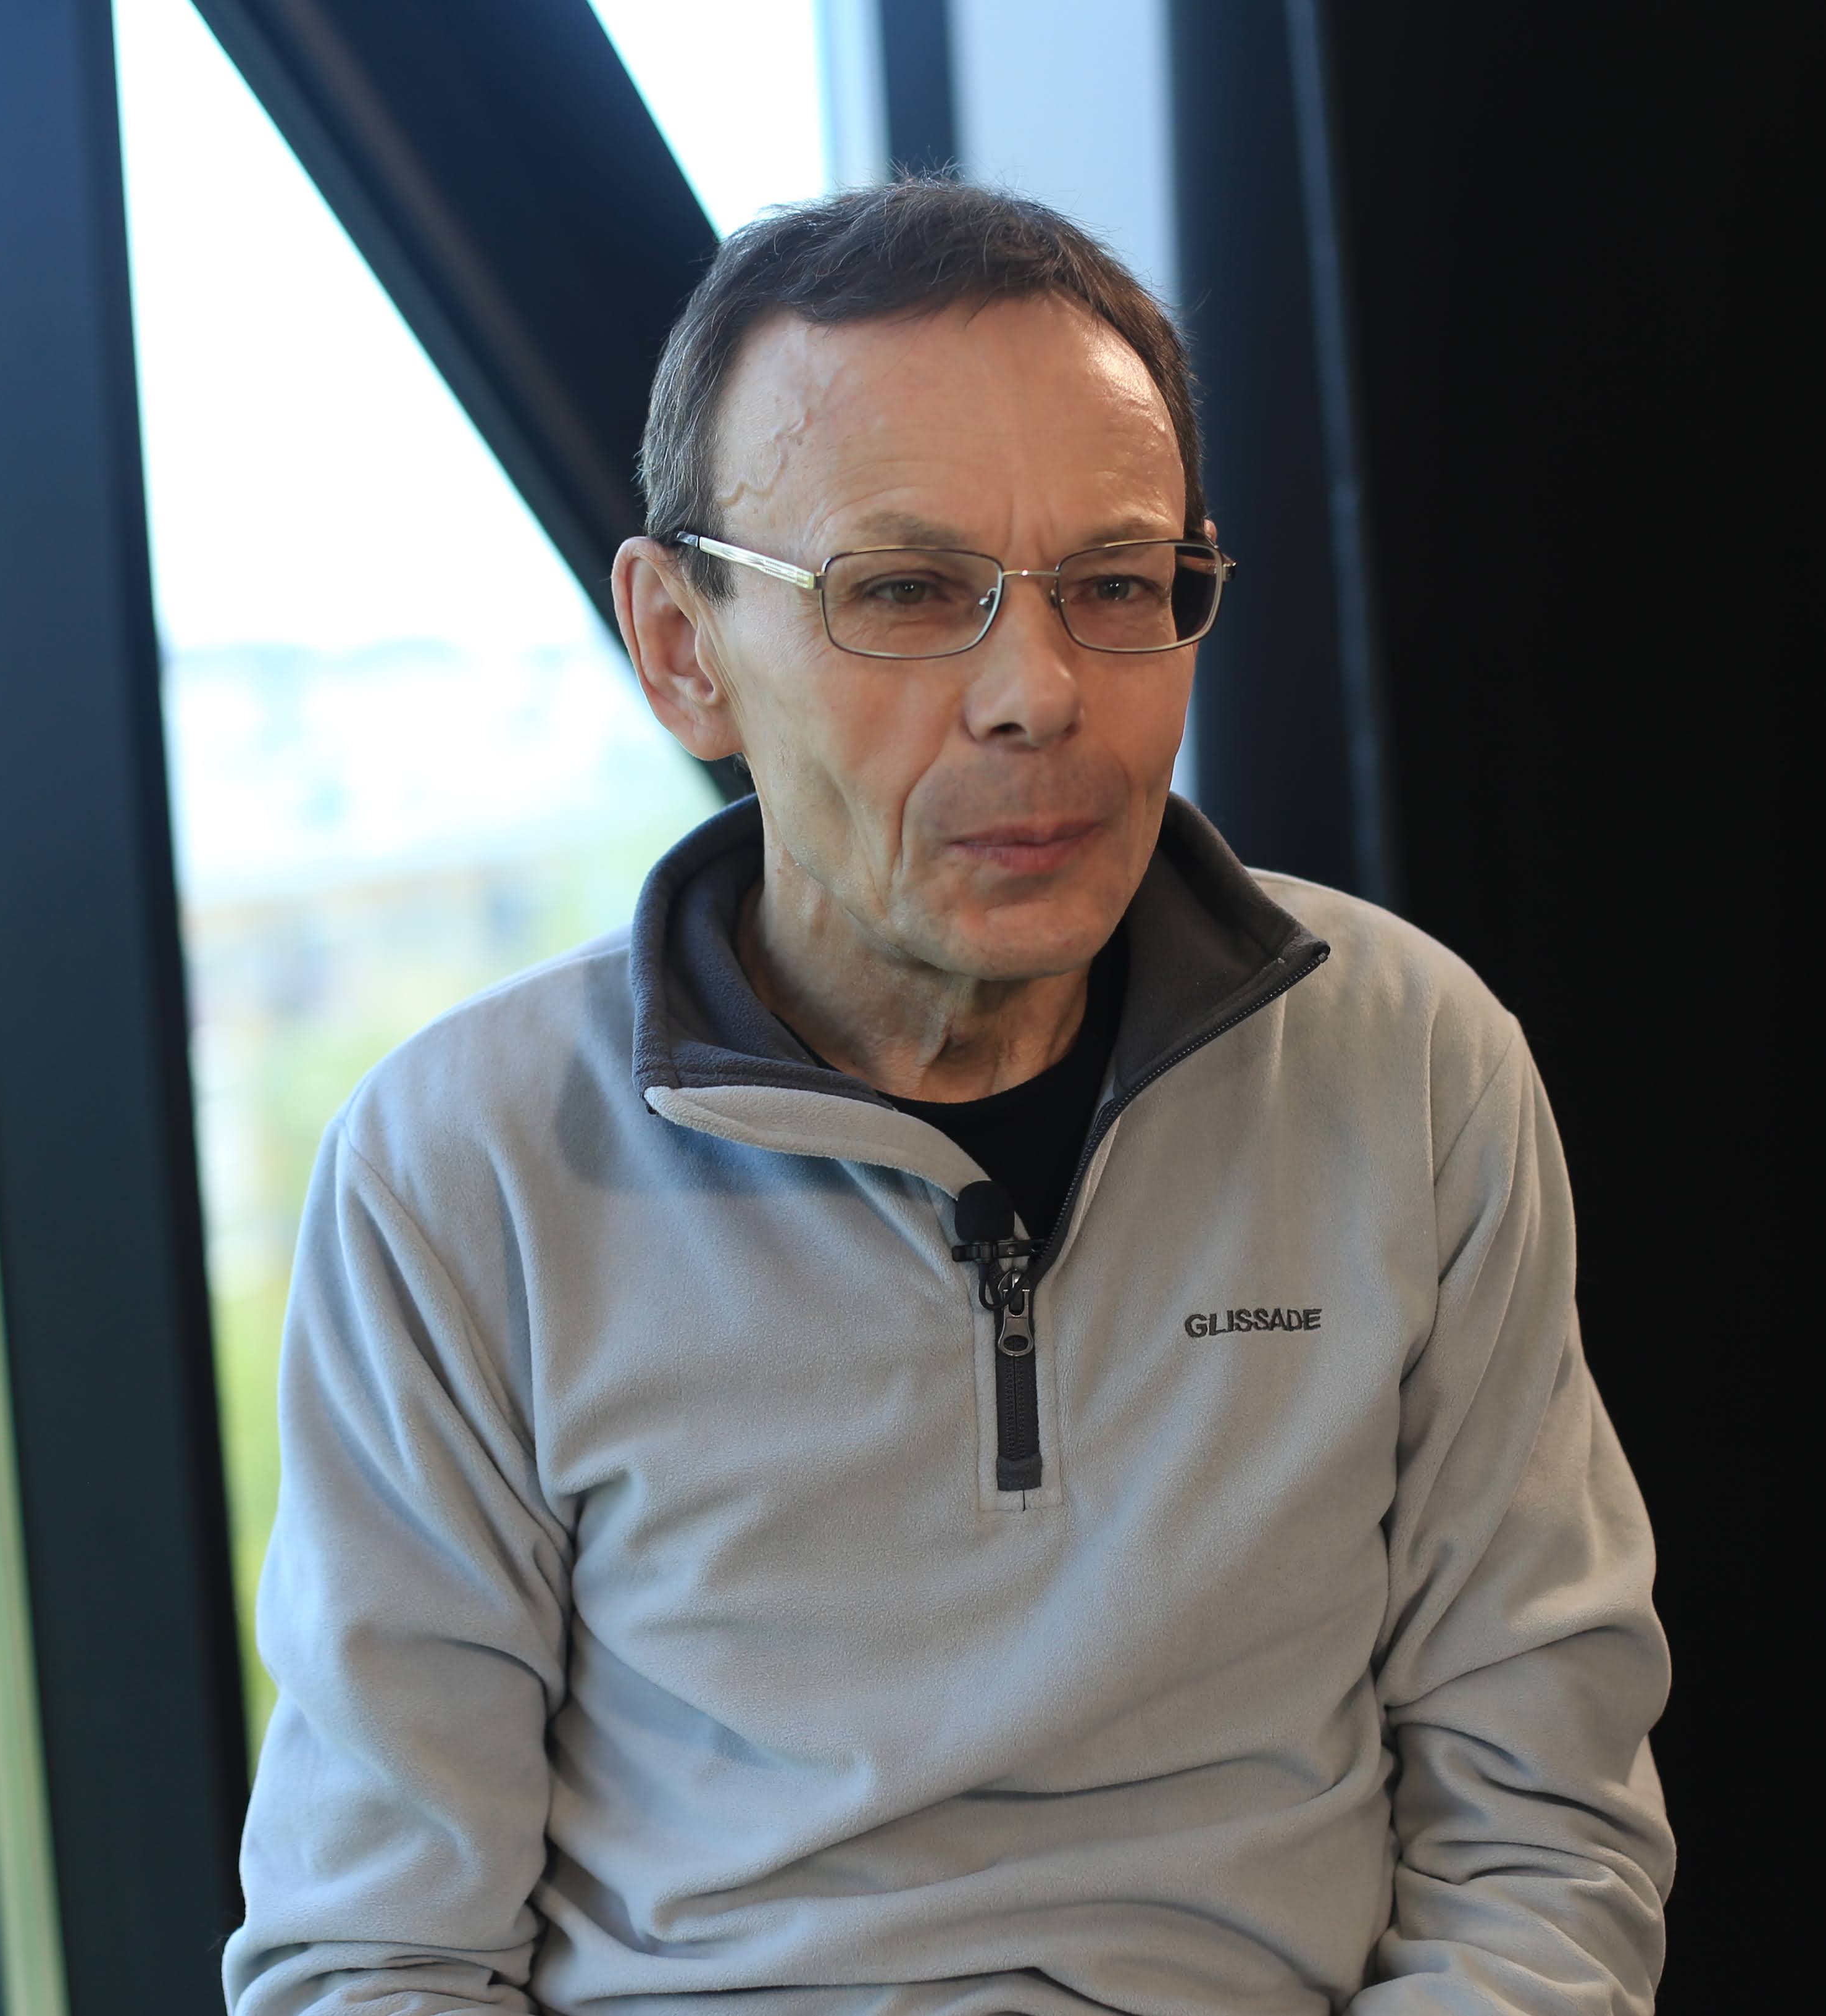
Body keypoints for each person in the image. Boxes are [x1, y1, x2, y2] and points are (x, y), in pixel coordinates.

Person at [223, 181, 1670, 2016]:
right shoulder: (463, 1169)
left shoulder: (1409, 1064)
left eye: (1115, 587)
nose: (1036, 694)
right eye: (906, 593)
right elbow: (378, 1956)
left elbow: (1540, 1839)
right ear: (682, 648)